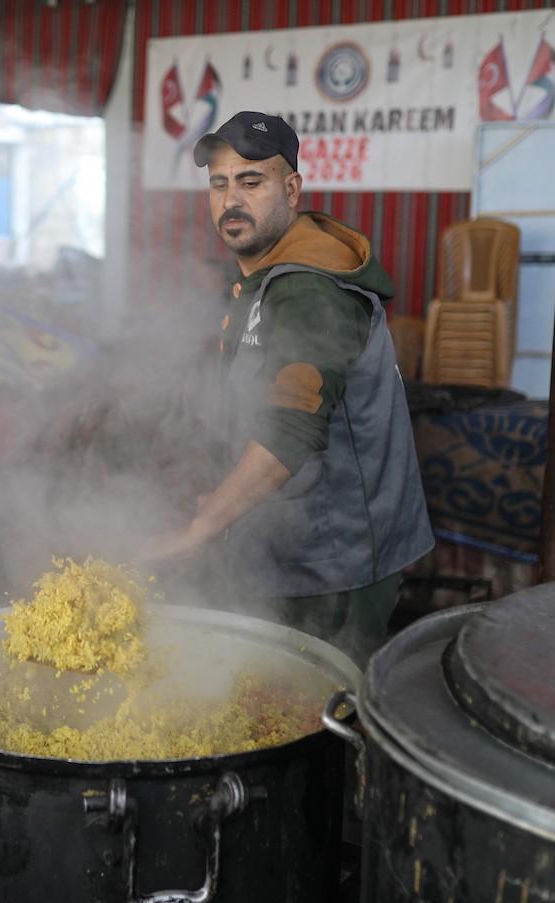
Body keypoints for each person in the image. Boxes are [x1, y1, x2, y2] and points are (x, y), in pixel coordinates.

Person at [138, 111, 433, 667]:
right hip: (290, 544)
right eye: (219, 184)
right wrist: (225, 497)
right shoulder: (263, 272)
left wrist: (202, 528)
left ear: (292, 189)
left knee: (314, 719)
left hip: (334, 563)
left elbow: (291, 428)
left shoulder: (310, 289)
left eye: (252, 182)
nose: (231, 200)